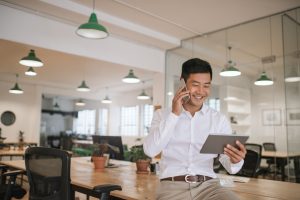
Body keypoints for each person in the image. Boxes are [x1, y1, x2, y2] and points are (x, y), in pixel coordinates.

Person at [143, 58, 247, 200]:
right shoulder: (162, 115)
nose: (201, 91)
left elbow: (229, 165)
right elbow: (150, 150)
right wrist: (174, 114)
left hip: (209, 187)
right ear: (183, 82)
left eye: (206, 86)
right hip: (172, 187)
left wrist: (235, 161)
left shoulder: (218, 119)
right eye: (195, 85)